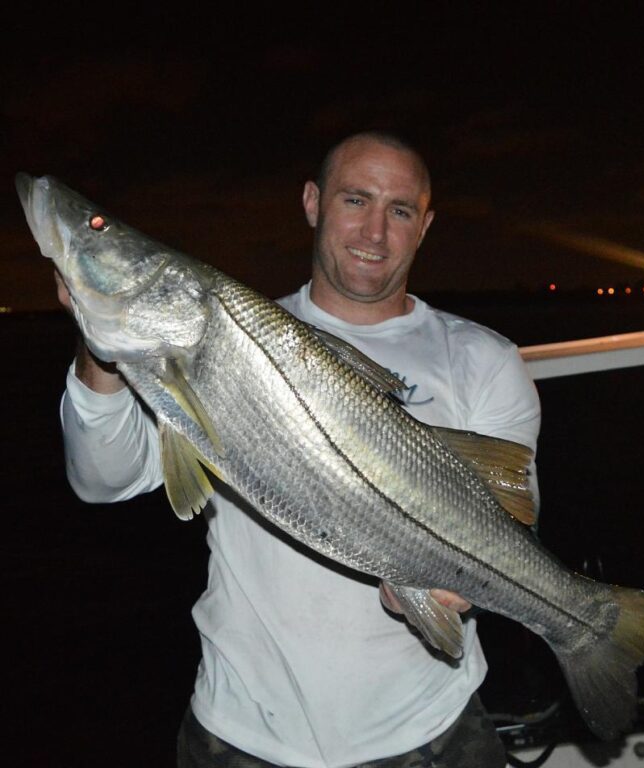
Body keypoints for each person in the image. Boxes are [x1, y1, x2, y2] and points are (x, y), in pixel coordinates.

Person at [58, 132, 541, 767]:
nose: (374, 231)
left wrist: (447, 590)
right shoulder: (218, 340)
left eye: (399, 211)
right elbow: (102, 478)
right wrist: (103, 348)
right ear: (313, 202)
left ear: (423, 228)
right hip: (242, 730)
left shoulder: (484, 360)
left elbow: (508, 522)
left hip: (430, 730)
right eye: (355, 200)